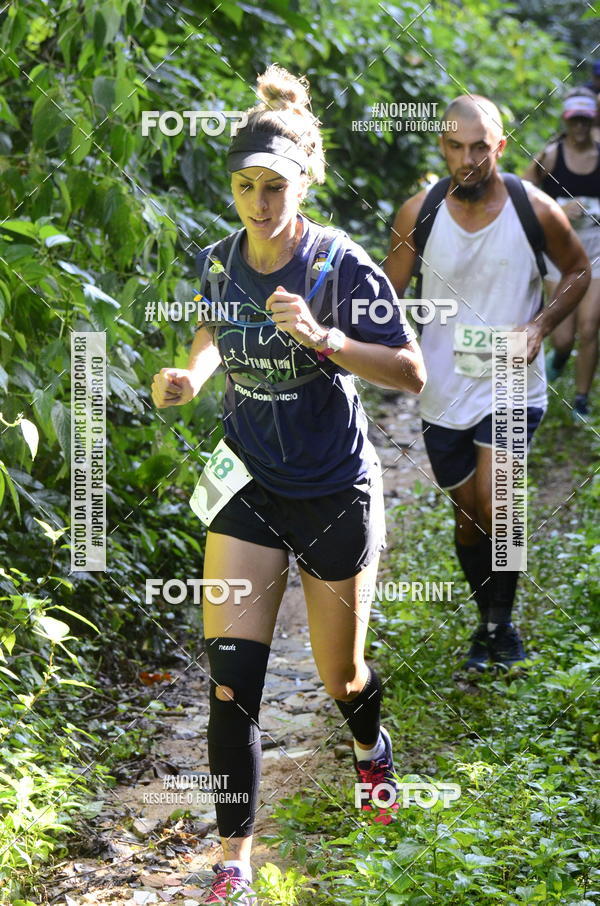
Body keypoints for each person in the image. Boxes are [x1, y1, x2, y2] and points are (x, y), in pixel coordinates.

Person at [151, 64, 425, 904]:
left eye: (275, 188)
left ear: (303, 185)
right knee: (232, 680)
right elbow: (209, 323)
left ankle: (368, 745)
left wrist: (325, 337)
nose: (259, 204)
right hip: (248, 486)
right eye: (245, 186)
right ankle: (233, 858)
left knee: (341, 675)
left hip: (335, 487)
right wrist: (194, 375)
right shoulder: (219, 259)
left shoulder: (339, 265)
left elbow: (410, 373)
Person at [384, 94, 590, 673]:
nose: (469, 159)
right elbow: (385, 297)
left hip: (509, 380)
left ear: (499, 146)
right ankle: (484, 621)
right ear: (443, 148)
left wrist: (540, 324)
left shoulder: (535, 209)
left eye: (481, 147)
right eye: (456, 147)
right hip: (444, 387)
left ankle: (503, 625)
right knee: (468, 515)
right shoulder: (417, 214)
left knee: (500, 505)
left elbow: (578, 270)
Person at [524, 88, 600, 423]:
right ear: (566, 121)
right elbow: (523, 193)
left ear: (593, 119)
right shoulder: (551, 156)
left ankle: (581, 400)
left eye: (586, 119)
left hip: (597, 249)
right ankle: (558, 360)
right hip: (562, 253)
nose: (581, 127)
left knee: (590, 326)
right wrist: (557, 209)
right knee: (564, 336)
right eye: (575, 120)